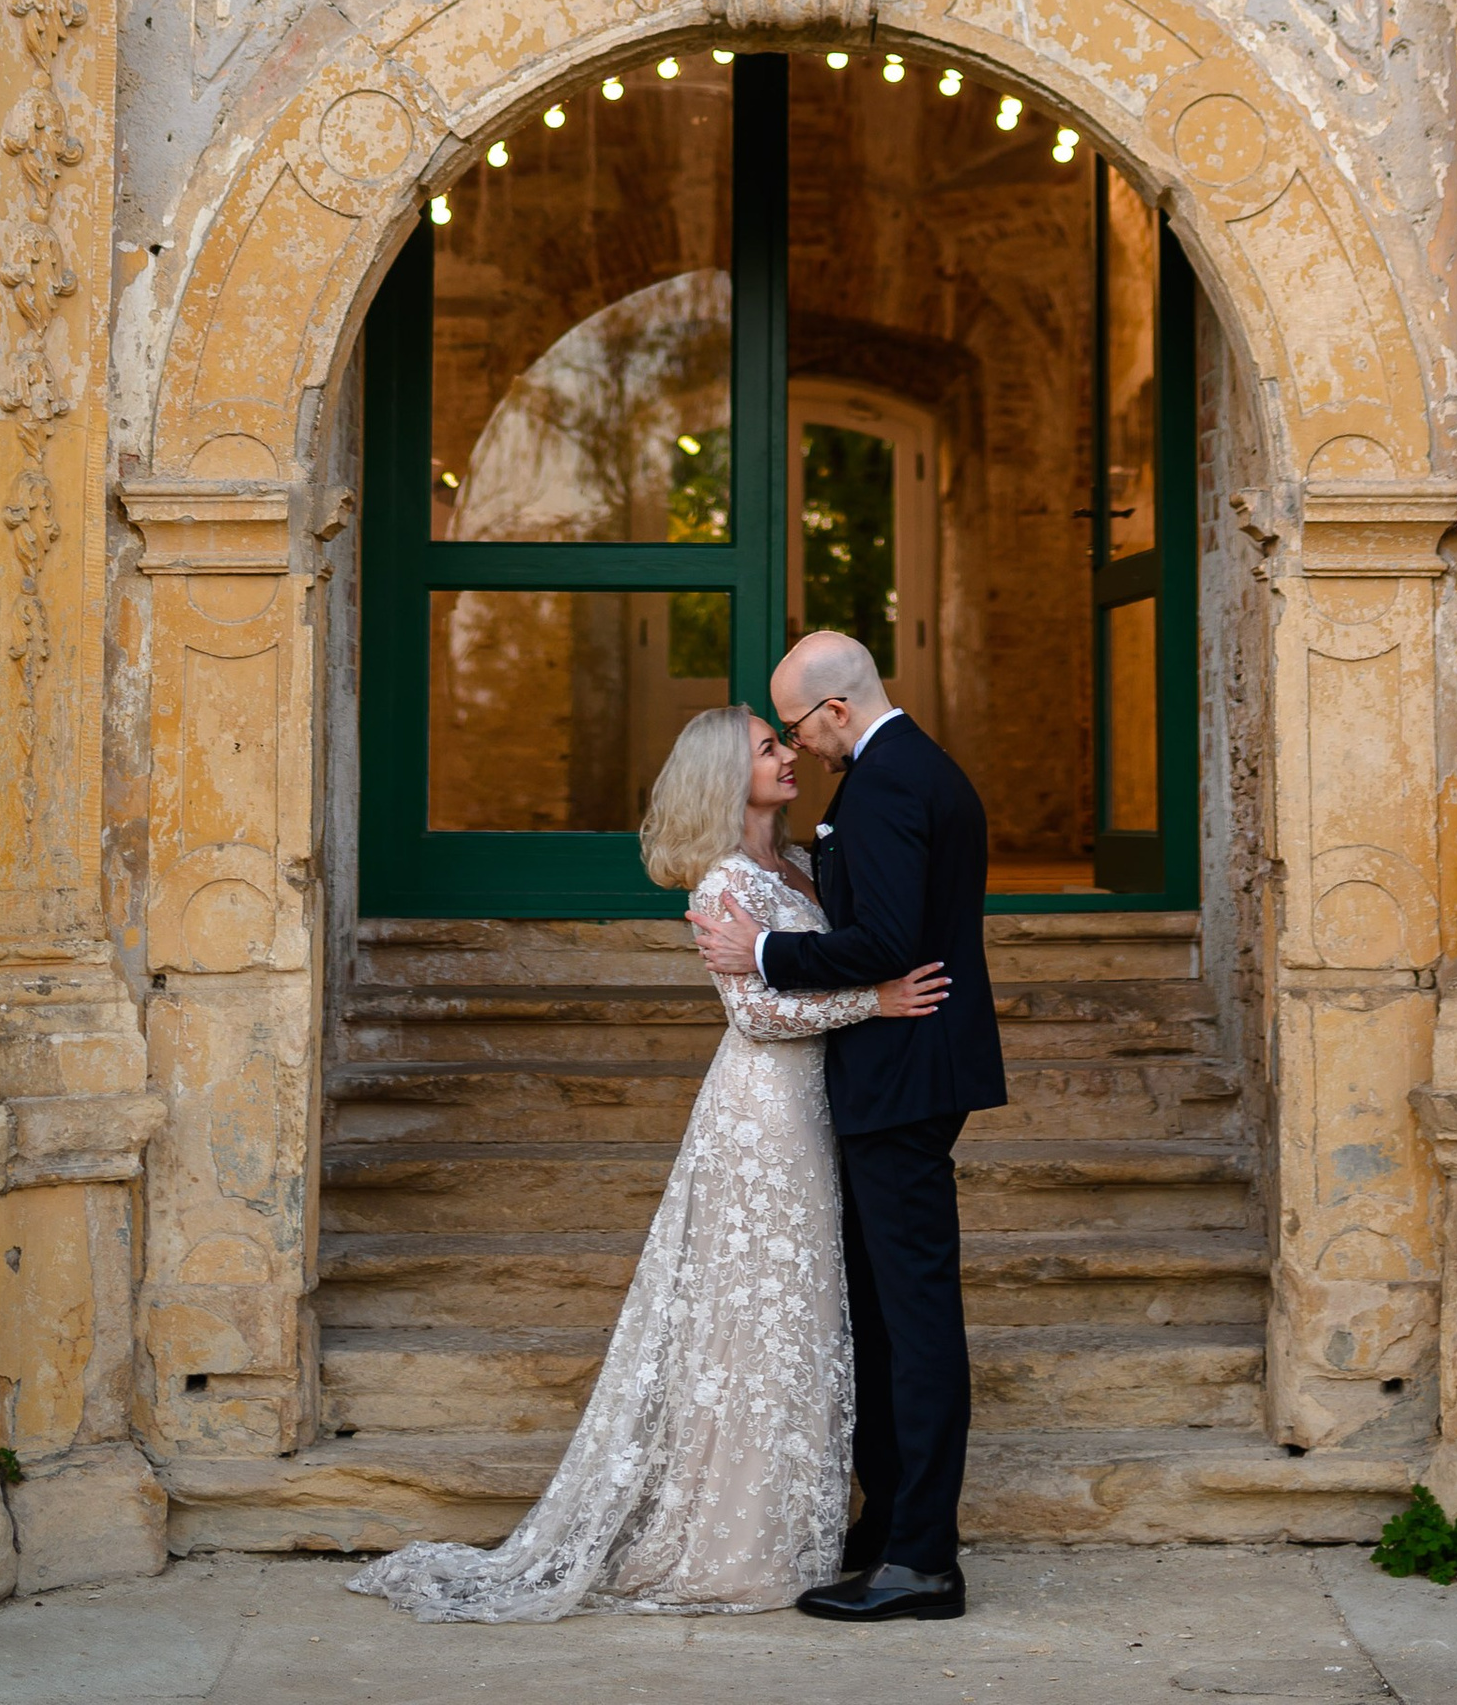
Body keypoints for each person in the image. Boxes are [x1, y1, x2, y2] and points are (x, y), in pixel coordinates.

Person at [345, 701, 948, 1619]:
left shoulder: (793, 865)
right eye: (767, 747)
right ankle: (733, 1544)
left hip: (820, 1108)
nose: (788, 756)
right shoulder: (721, 887)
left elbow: (819, 956)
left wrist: (860, 983)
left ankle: (798, 1526)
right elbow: (756, 1014)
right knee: (757, 1313)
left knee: (807, 1318)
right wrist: (876, 1000)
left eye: (783, 740)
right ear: (724, 774)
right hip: (763, 1114)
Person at [689, 627, 1005, 1627]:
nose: (798, 747)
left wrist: (766, 950)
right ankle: (887, 1533)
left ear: (833, 709)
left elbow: (885, 941)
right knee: (882, 1315)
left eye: (796, 726)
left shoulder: (881, 786)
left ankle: (920, 1559)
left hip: (902, 1080)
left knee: (912, 1327)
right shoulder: (918, 770)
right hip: (904, 1074)